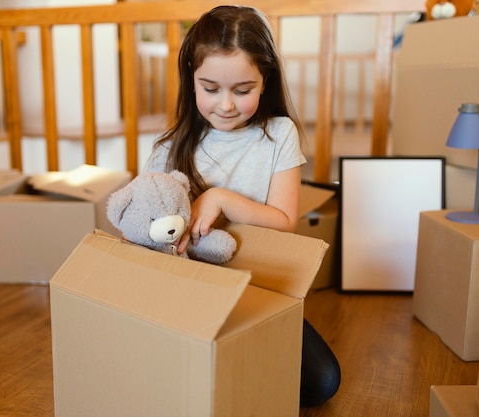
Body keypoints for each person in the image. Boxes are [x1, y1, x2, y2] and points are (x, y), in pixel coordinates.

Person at [144, 5, 340, 407]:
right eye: (210, 88)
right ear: (191, 81)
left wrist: (220, 198)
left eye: (242, 90)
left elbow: (284, 222)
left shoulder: (278, 134)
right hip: (187, 294)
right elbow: (143, 227)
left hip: (259, 290)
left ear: (265, 81)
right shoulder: (168, 148)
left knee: (323, 382)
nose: (226, 105)